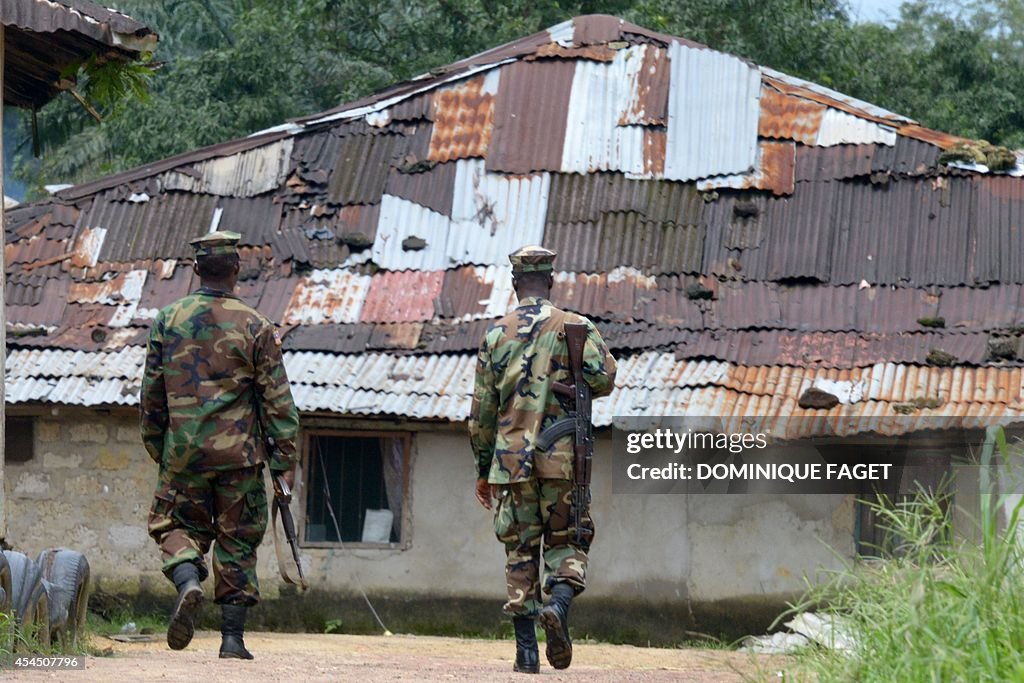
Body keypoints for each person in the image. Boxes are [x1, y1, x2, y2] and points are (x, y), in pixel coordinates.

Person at [140, 230, 299, 660]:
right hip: (241, 457)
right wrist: (284, 462)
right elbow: (277, 401)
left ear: (195, 269)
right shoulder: (256, 326)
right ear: (235, 269)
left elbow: (152, 398)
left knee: (170, 525)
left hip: (184, 454)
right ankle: (232, 640)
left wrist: (163, 449)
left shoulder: (167, 321)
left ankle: (189, 579)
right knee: (238, 540)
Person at [468, 246, 617, 674]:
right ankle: (559, 605)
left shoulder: (495, 336)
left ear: (515, 284)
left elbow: (480, 415)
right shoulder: (576, 326)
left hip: (511, 467)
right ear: (550, 282)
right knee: (569, 542)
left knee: (519, 553)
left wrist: (483, 472)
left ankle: (526, 656)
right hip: (563, 462)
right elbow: (604, 379)